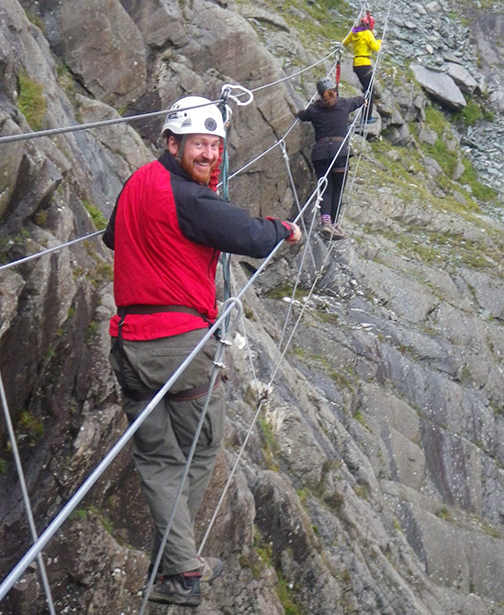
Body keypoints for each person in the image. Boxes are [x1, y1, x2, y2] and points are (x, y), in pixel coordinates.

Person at [103, 95, 301, 607]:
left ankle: (175, 565)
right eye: (199, 144)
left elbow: (111, 238)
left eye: (215, 145)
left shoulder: (135, 184)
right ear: (173, 143)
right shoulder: (189, 199)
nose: (210, 154)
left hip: (128, 345)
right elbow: (252, 236)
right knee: (199, 449)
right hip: (181, 349)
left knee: (156, 457)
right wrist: (286, 230)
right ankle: (180, 569)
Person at [297, 78, 365, 240]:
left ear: (320, 94)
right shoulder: (343, 104)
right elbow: (360, 100)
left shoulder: (313, 109)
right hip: (340, 152)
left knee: (325, 189)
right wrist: (366, 98)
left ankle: (326, 221)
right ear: (335, 91)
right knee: (337, 190)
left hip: (320, 154)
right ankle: (333, 224)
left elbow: (302, 115)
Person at [342, 11, 382, 123]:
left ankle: (365, 115)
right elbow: (375, 47)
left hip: (356, 64)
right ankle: (366, 117)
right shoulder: (368, 33)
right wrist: (379, 41)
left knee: (367, 89)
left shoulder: (354, 31)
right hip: (364, 63)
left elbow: (345, 42)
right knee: (370, 90)